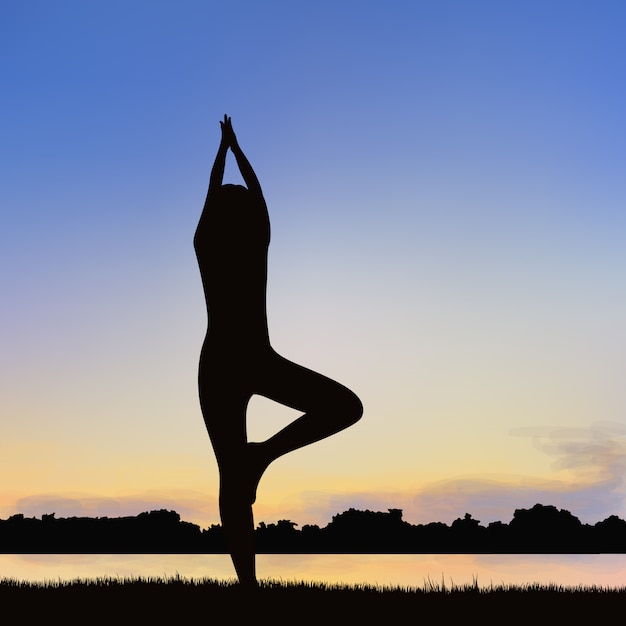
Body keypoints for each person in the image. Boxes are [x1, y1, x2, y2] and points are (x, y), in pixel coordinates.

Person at [194, 115, 363, 587]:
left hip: (229, 363)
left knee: (235, 474)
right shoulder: (255, 238)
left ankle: (260, 458)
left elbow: (213, 196)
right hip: (246, 362)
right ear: (248, 216)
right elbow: (256, 196)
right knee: (342, 409)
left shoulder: (206, 241)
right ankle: (248, 586)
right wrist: (236, 150)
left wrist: (222, 153)